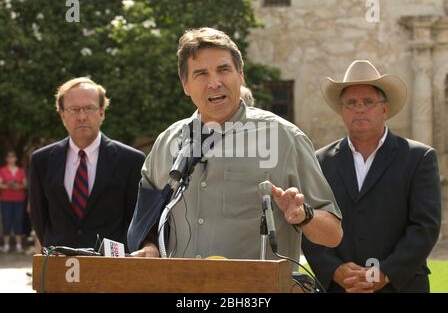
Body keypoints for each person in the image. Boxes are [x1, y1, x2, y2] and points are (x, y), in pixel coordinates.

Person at [129, 27, 342, 262]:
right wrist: (149, 246)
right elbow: (145, 222)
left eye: (224, 70)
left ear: (241, 75)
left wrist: (304, 215)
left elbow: (333, 234)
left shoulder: (285, 138)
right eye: (201, 74)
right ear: (186, 85)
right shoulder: (166, 142)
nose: (214, 82)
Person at [302, 60, 442, 293]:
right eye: (351, 103)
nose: (360, 108)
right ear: (342, 110)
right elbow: (308, 222)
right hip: (340, 288)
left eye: (368, 102)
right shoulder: (319, 161)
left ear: (384, 109)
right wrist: (335, 270)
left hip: (401, 286)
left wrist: (384, 273)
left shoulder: (419, 158)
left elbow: (425, 226)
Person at [29, 77, 145, 251]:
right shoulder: (41, 161)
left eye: (89, 108)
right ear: (62, 115)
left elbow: (136, 220)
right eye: (74, 109)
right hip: (58, 265)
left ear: (102, 113)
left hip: (111, 268)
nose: (82, 116)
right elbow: (39, 218)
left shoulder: (130, 160)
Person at [0, 151, 27, 253]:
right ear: (7, 159)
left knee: (18, 221)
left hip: (19, 200)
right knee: (6, 221)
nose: (11, 159)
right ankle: (6, 245)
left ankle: (19, 245)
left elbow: (25, 184)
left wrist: (17, 186)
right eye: (9, 157)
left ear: (15, 159)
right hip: (5, 200)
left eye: (13, 157)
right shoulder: (2, 170)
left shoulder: (21, 171)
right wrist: (9, 186)